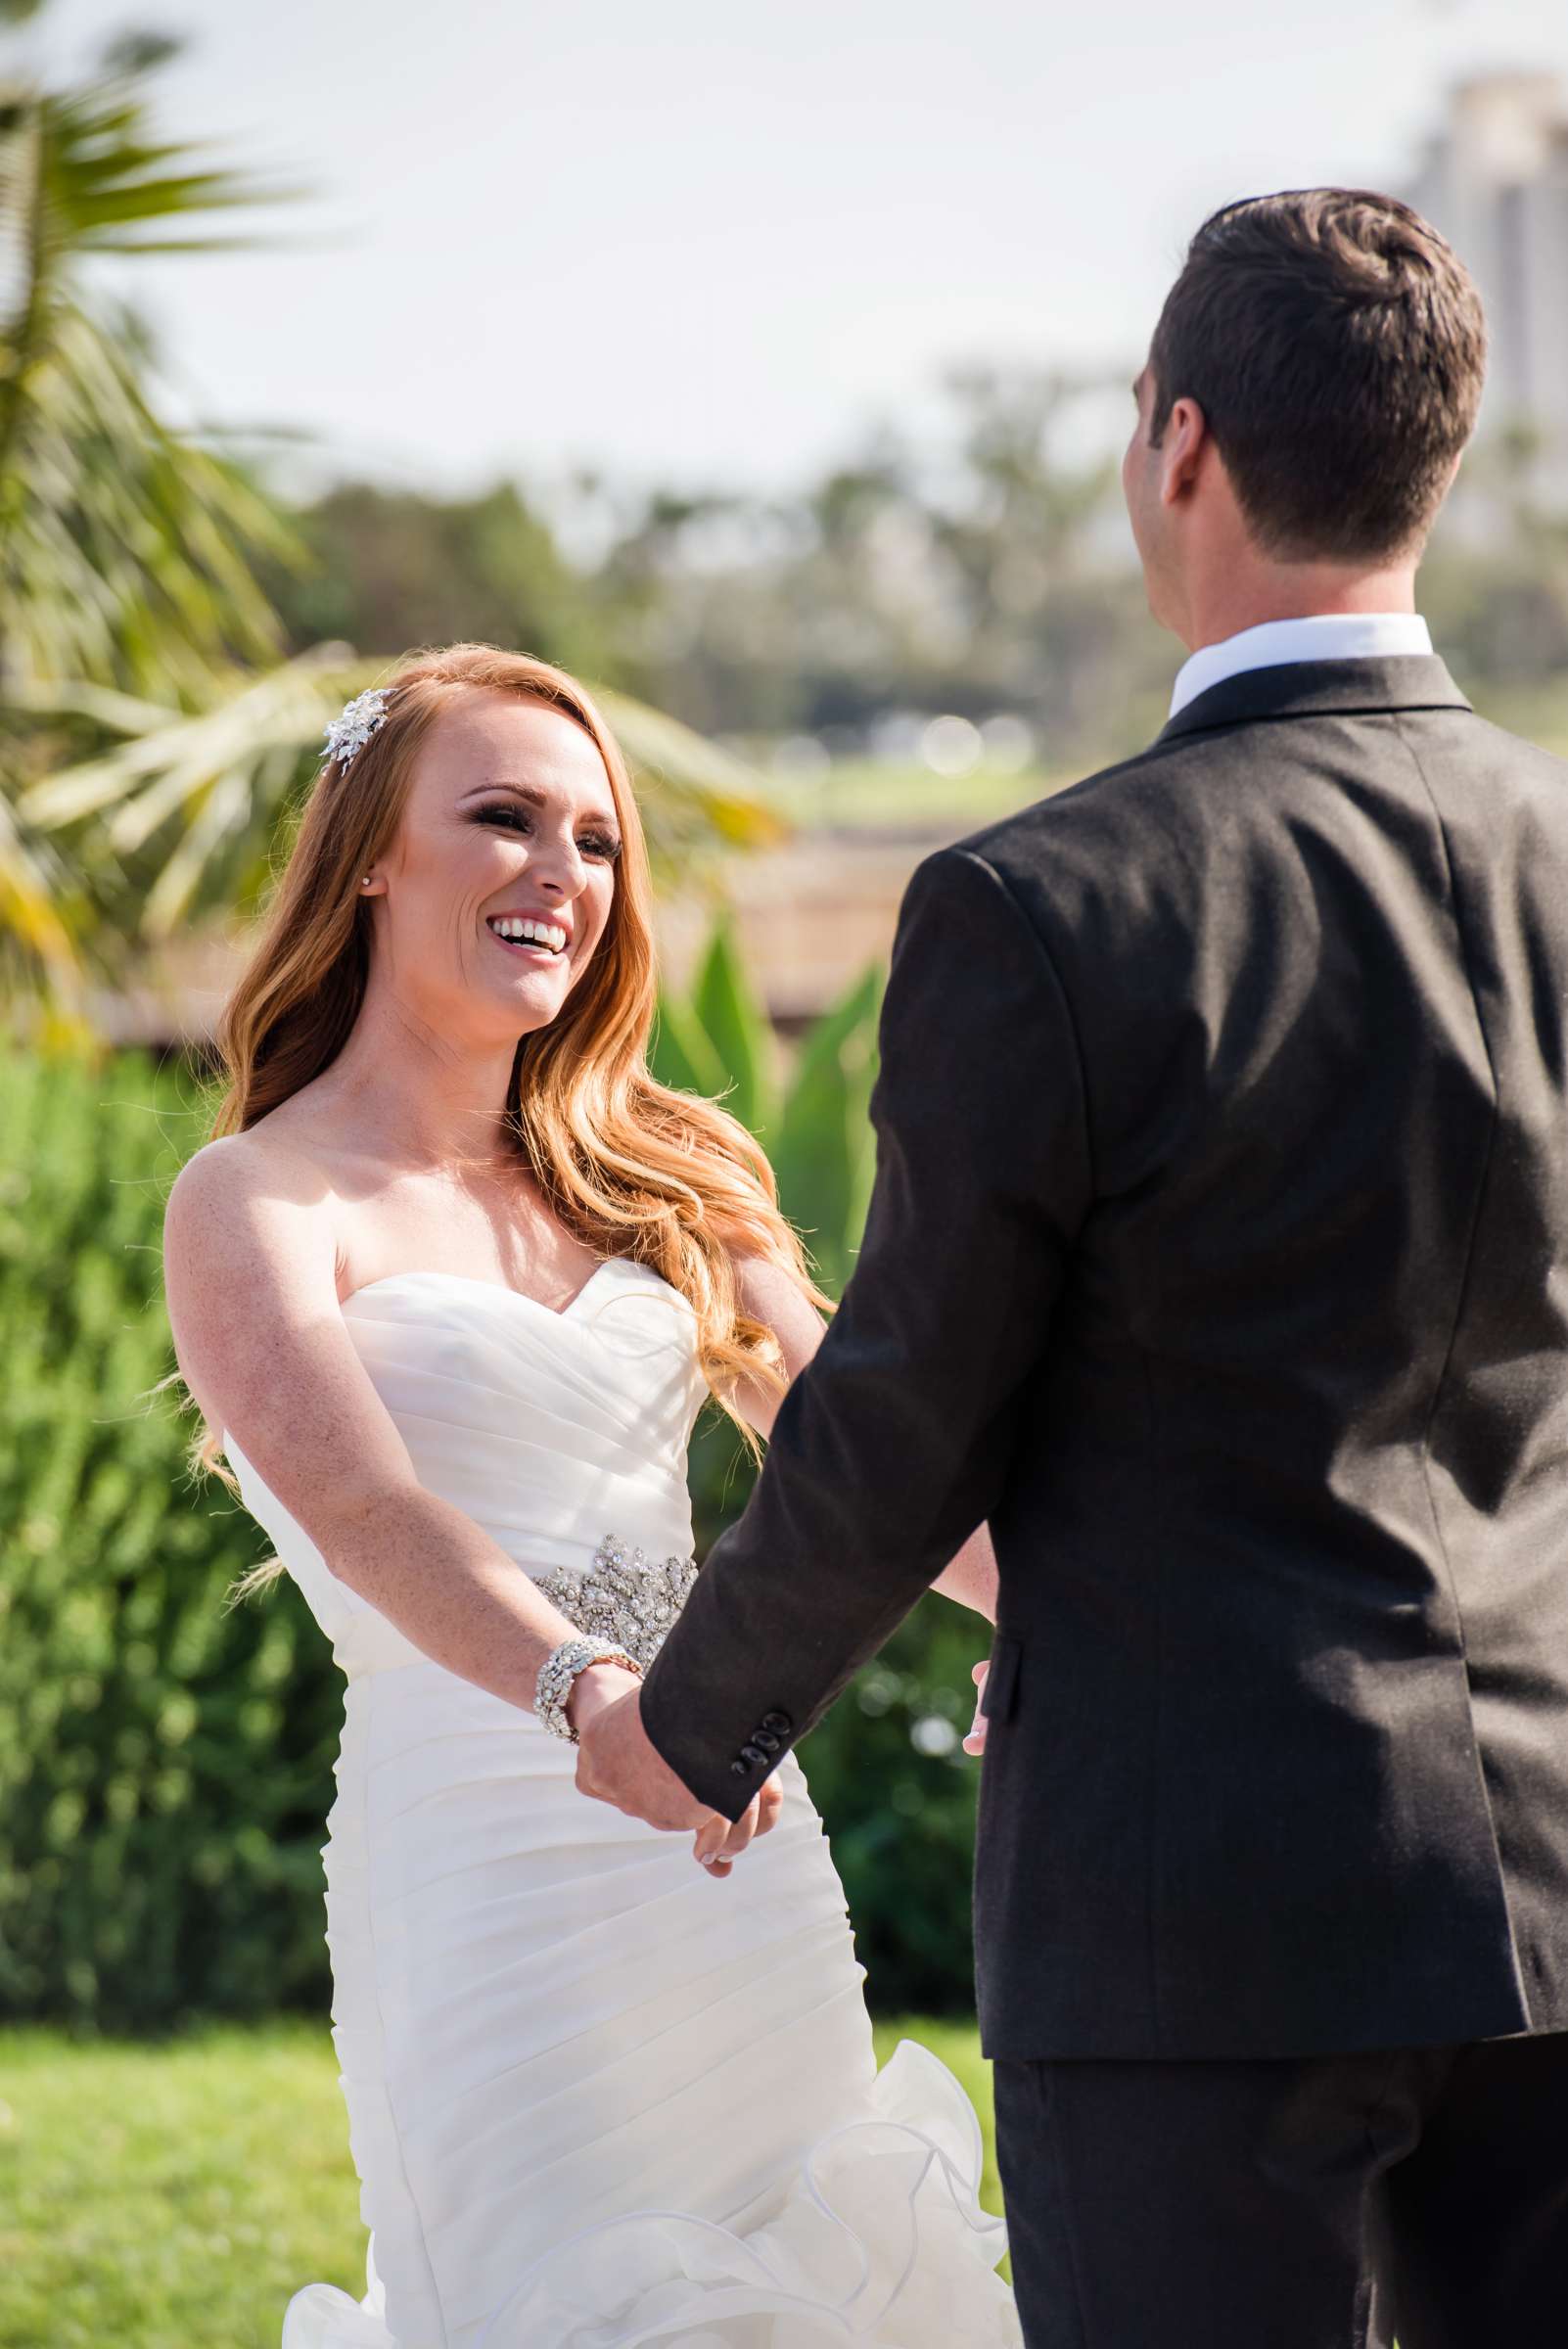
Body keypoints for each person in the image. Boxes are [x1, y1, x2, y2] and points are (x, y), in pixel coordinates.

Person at [578, 189, 1568, 2349]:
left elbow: (914, 1409)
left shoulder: (1049, 905)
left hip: (1187, 1905)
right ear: (1439, 457)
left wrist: (696, 1719)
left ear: (1179, 445)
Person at [161, 643, 1022, 2348]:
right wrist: (592, 1691)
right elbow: (372, 1515)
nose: (561, 872)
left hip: (727, 1852)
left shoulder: (668, 1180)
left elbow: (880, 1463)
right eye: (501, 819)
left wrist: (1063, 1625)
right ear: (372, 857)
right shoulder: (254, 1198)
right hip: (485, 1875)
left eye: (596, 838)